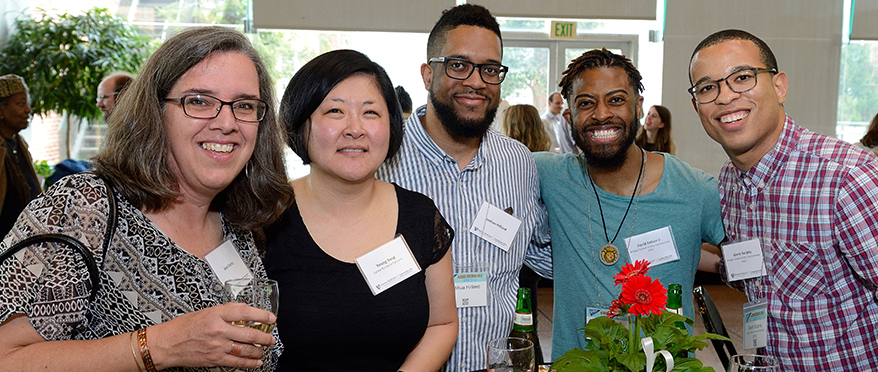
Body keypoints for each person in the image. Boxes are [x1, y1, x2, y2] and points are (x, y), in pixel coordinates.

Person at [0, 26, 295, 371]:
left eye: (244, 105)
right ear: (155, 112)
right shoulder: (85, 208)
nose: (227, 122)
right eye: (199, 101)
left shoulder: (239, 225)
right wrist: (160, 346)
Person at [376, 5, 553, 371]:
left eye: (490, 69)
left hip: (496, 364)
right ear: (428, 74)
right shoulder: (381, 161)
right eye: (459, 65)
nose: (476, 81)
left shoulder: (518, 163)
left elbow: (539, 253)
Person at [689, 29, 878, 370]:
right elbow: (761, 273)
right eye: (707, 87)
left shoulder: (846, 179)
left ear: (779, 86)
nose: (725, 96)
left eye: (742, 78)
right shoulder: (730, 183)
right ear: (696, 106)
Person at [264, 49, 458, 372]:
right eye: (335, 111)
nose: (355, 129)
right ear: (301, 123)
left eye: (370, 113)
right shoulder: (266, 217)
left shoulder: (420, 217)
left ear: (391, 126)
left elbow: (442, 324)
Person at [533, 48, 725, 359]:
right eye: (585, 103)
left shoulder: (693, 189)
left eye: (616, 100)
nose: (602, 114)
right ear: (569, 116)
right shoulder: (548, 176)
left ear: (638, 108)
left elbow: (751, 256)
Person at [0, 74, 40, 239]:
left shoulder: (19, 144)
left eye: (27, 103)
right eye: (20, 103)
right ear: (1, 109)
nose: (28, 110)